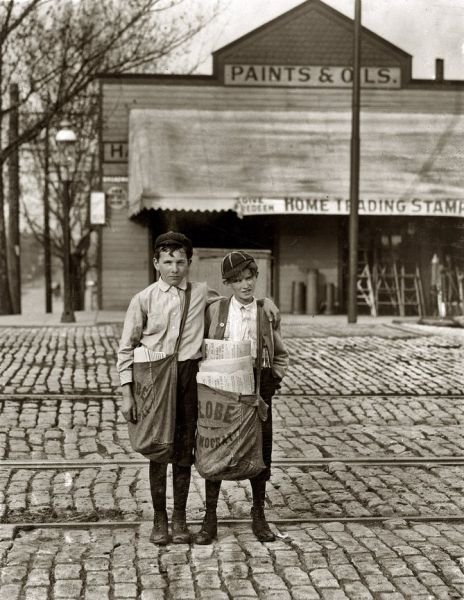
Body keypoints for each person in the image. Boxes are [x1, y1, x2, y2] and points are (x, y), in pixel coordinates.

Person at [117, 232, 279, 545]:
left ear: (189, 264)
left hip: (190, 376)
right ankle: (159, 519)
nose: (174, 268)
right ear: (156, 263)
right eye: (167, 262)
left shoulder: (201, 292)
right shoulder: (143, 299)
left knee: (184, 448)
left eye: (180, 262)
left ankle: (179, 519)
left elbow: (237, 300)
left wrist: (264, 302)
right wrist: (127, 391)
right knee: (157, 448)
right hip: (155, 377)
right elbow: (126, 347)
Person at [194, 250, 288, 544]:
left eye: (250, 278)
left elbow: (281, 353)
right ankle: (210, 518)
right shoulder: (217, 309)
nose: (245, 285)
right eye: (237, 281)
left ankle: (258, 514)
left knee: (261, 453)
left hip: (256, 394)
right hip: (221, 393)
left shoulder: (265, 313)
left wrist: (273, 381)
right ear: (228, 283)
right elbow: (198, 299)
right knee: (215, 451)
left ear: (256, 278)